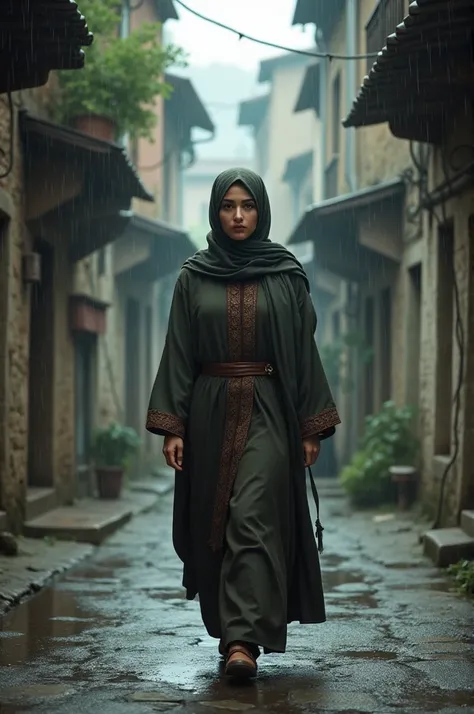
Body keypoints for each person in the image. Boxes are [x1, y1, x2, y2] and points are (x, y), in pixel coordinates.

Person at [146, 168, 340, 679]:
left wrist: (309, 424)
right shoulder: (193, 275)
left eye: (247, 206)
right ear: (216, 210)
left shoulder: (285, 272)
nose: (237, 216)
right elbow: (180, 352)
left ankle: (242, 643)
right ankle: (232, 627)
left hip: (270, 410)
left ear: (261, 211)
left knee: (252, 514)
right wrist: (174, 425)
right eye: (228, 206)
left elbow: (303, 351)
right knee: (218, 525)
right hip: (208, 413)